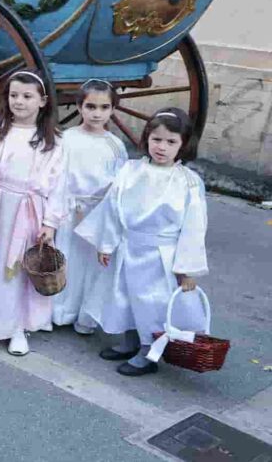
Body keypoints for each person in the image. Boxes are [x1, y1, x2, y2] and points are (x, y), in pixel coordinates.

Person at [76, 107, 208, 377]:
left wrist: (186, 269)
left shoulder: (188, 182)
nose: (162, 147)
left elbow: (194, 227)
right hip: (130, 246)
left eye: (171, 142)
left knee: (151, 302)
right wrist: (107, 243)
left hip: (161, 254)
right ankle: (129, 340)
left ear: (183, 145)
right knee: (123, 296)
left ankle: (149, 352)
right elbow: (113, 208)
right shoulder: (130, 170)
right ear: (147, 138)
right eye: (156, 139)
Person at [0, 71, 67, 356]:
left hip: (30, 210)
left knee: (21, 270)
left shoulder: (52, 140)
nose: (18, 102)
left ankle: (18, 329)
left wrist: (50, 223)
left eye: (26, 96)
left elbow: (59, 185)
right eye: (13, 96)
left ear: (43, 101)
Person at [52, 79, 127, 333]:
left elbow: (119, 185)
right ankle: (58, 311)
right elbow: (57, 176)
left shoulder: (115, 145)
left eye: (104, 107)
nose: (97, 113)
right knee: (66, 259)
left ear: (113, 109)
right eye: (91, 106)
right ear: (79, 106)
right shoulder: (66, 139)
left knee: (92, 266)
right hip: (69, 207)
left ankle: (85, 315)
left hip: (99, 212)